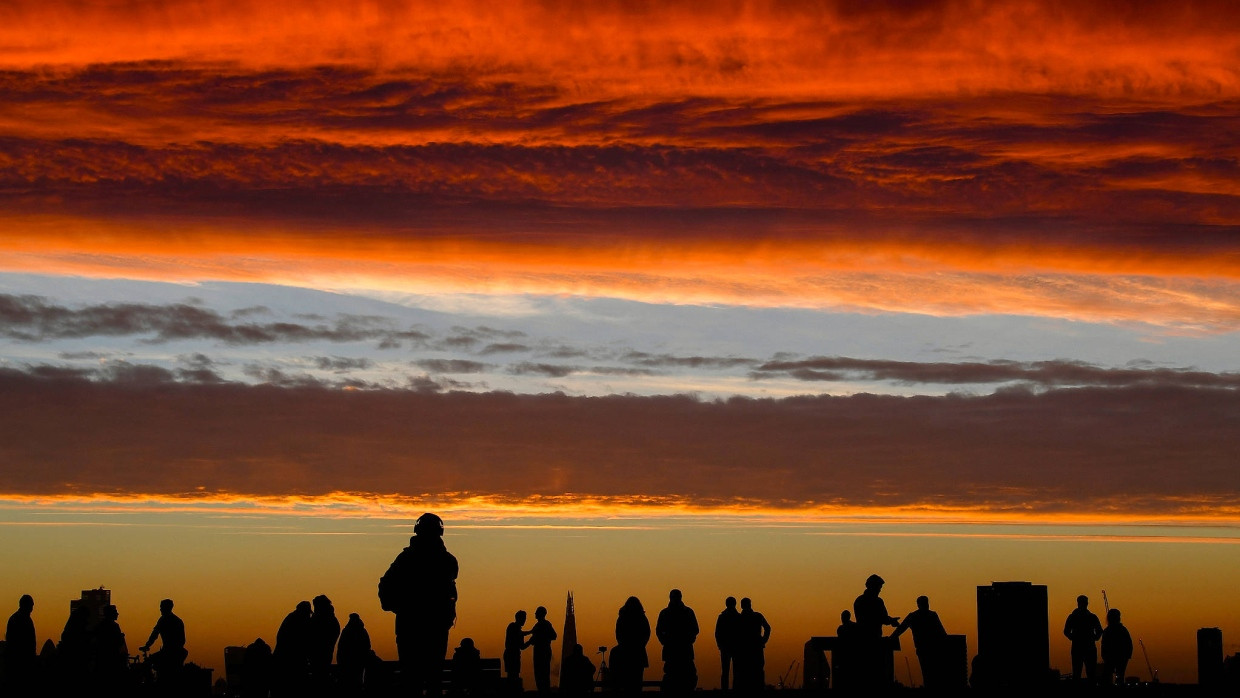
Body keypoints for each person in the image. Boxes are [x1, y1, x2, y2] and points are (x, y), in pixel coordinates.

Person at [379, 512, 459, 696]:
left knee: (411, 679)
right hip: (434, 626)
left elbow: (386, 584)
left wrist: (397, 606)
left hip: (411, 626)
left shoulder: (406, 559)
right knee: (433, 679)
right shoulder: (447, 560)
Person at [853, 575, 899, 688]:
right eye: (879, 587)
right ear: (873, 586)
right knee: (877, 671)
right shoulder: (877, 601)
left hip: (861, 640)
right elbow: (882, 618)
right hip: (874, 640)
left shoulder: (858, 600)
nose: (880, 590)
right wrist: (891, 621)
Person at [893, 596, 948, 689]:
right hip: (929, 649)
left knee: (929, 673)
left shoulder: (916, 616)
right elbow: (942, 633)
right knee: (931, 673)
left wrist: (891, 637)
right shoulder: (929, 615)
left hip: (931, 649)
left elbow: (901, 629)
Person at [655, 589, 699, 692]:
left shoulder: (667, 613)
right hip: (677, 649)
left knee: (685, 675)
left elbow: (695, 629)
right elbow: (659, 630)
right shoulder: (686, 612)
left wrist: (664, 641)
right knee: (676, 675)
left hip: (680, 649)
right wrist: (664, 641)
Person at [140, 598, 188, 682]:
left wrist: (147, 645)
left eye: (161, 607)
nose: (160, 609)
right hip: (177, 652)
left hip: (168, 652)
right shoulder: (178, 621)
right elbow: (183, 640)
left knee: (147, 663)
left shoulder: (163, 620)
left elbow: (154, 634)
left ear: (166, 608)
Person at [274, 600, 313, 696]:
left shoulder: (291, 618)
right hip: (290, 661)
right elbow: (301, 642)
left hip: (284, 659)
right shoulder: (298, 621)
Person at [613, 596, 651, 693]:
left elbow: (618, 634)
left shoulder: (622, 618)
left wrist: (622, 645)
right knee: (637, 681)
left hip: (625, 654)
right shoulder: (642, 618)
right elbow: (647, 633)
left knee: (626, 681)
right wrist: (641, 645)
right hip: (638, 653)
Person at [1063, 595, 1103, 682]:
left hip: (1082, 648)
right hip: (1086, 648)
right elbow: (1066, 631)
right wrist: (1094, 637)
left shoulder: (1075, 617)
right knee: (1083, 672)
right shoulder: (1090, 617)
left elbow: (1066, 631)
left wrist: (1073, 637)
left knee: (1085, 672)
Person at [93, 604, 129, 698]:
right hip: (112, 660)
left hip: (101, 660)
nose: (117, 614)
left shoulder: (99, 626)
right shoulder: (114, 626)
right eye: (115, 612)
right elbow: (118, 642)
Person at [735, 597, 770, 691]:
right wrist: (763, 640)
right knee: (758, 670)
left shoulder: (739, 618)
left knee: (744, 671)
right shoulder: (758, 616)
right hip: (756, 646)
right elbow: (767, 628)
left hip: (744, 648)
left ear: (741, 606)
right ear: (750, 604)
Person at [4, 595, 36, 696]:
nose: (32, 608)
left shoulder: (15, 618)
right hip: (20, 662)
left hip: (16, 662)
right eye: (31, 605)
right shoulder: (23, 619)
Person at [337, 613, 373, 695]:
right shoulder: (362, 631)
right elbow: (367, 645)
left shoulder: (347, 631)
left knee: (352, 678)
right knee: (357, 678)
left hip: (351, 660)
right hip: (357, 660)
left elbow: (341, 647)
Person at [309, 594, 341, 685]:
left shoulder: (324, 618)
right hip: (323, 652)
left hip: (321, 652)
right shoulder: (330, 618)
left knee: (320, 672)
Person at [528, 606, 558, 694]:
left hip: (540, 651)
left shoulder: (541, 625)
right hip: (544, 650)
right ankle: (544, 690)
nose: (535, 614)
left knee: (540, 673)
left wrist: (541, 638)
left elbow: (554, 636)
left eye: (536, 612)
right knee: (544, 672)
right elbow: (553, 636)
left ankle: (543, 691)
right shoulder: (545, 624)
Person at [1100, 608, 1133, 686]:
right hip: (1121, 657)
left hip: (1114, 657)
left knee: (1109, 676)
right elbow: (1129, 644)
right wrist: (1127, 656)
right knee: (1119, 676)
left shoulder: (1107, 631)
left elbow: (1103, 645)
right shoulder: (1123, 630)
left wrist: (1105, 656)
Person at [714, 597, 740, 691]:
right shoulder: (738, 617)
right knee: (733, 671)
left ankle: (726, 689)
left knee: (728, 671)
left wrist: (720, 645)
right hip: (732, 647)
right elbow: (717, 633)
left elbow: (717, 633)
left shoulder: (723, 616)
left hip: (728, 647)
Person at [503, 610, 530, 687]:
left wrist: (530, 638)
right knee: (513, 676)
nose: (524, 620)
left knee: (513, 676)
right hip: (512, 655)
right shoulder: (513, 627)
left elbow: (522, 646)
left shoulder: (513, 627)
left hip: (513, 655)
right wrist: (530, 639)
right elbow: (522, 645)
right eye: (523, 618)